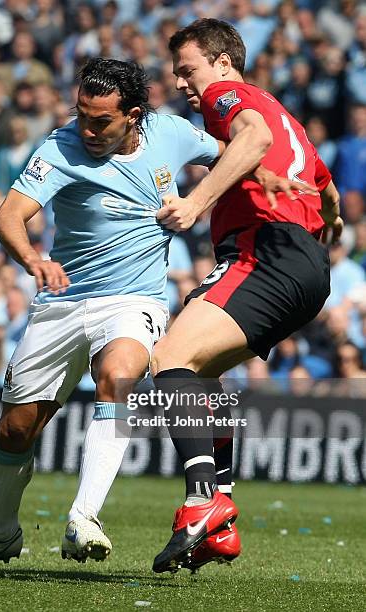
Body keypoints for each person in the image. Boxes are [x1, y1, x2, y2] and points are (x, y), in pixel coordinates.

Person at [0, 57, 298, 577]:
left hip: (135, 300)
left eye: (100, 121)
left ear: (133, 116)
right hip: (61, 301)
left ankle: (84, 516)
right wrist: (34, 259)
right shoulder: (59, 147)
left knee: (120, 377)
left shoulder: (171, 133)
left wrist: (264, 173)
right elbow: (8, 215)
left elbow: (228, 153)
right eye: (81, 115)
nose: (86, 129)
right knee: (17, 430)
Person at [149, 18, 342, 575]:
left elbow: (251, 137)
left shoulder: (227, 95)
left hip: (267, 251)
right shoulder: (292, 123)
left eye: (189, 69)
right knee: (205, 378)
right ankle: (221, 523)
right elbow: (328, 192)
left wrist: (197, 201)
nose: (185, 83)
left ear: (223, 62)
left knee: (169, 360)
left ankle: (205, 501)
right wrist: (329, 222)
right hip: (306, 265)